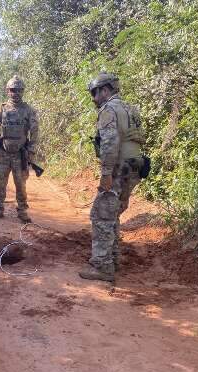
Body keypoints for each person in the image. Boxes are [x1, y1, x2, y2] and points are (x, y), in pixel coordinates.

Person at [79, 72, 145, 282]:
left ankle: (102, 266)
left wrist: (106, 173)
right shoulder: (130, 109)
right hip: (134, 167)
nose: (93, 98)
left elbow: (110, 144)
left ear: (105, 90)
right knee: (113, 214)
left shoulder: (109, 109)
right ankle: (113, 258)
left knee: (101, 216)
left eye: (95, 93)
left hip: (118, 169)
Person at [0, 75, 39, 223]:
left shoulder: (28, 110)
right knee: (1, 182)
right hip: (3, 153)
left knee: (21, 184)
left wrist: (31, 151)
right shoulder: (0, 109)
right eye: (13, 90)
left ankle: (22, 211)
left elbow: (35, 131)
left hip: (20, 154)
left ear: (23, 91)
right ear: (8, 91)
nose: (16, 93)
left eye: (19, 90)